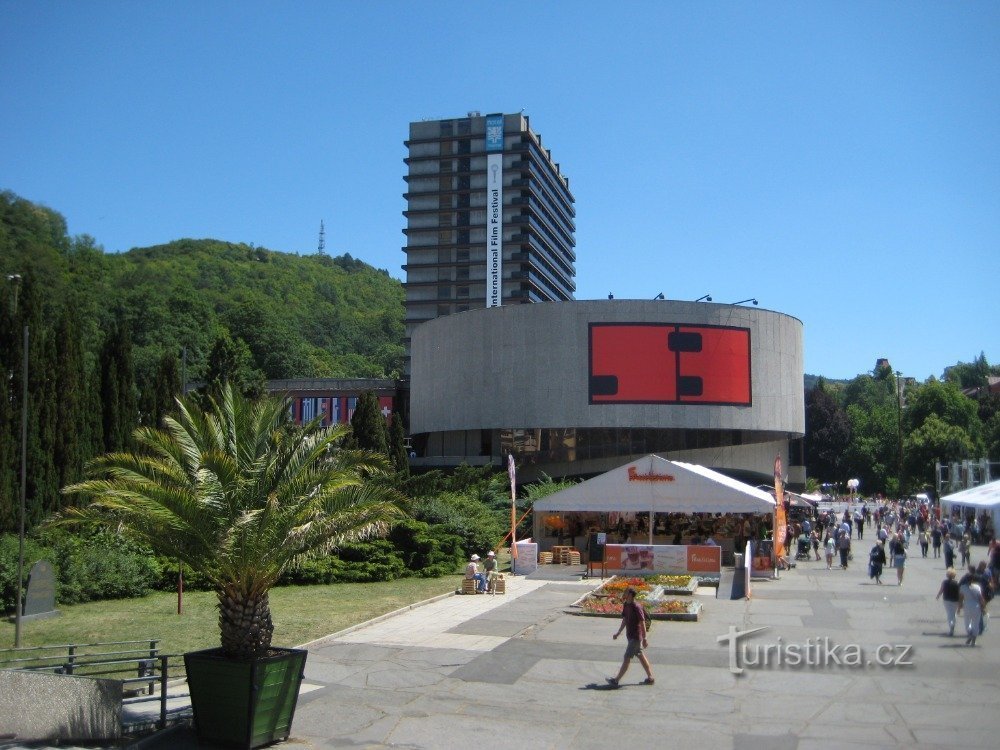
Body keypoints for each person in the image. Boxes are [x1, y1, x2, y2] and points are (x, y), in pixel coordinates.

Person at [607, 587, 655, 688]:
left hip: (635, 637)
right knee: (640, 655)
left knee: (627, 657)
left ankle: (616, 680)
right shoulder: (626, 605)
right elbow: (624, 619)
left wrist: (645, 637)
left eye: (626, 592)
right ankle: (650, 678)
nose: (623, 593)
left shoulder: (636, 607)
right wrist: (618, 632)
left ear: (630, 595)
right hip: (630, 636)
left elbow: (642, 622)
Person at [958, 574, 986, 646]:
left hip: (967, 606)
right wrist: (983, 607)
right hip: (976, 606)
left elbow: (961, 599)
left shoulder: (962, 587)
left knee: (967, 623)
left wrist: (959, 608)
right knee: (976, 623)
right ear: (973, 580)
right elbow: (980, 598)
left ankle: (970, 633)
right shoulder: (977, 587)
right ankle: (973, 640)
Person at [936, 568, 960, 636]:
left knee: (949, 613)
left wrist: (938, 596)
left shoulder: (944, 582)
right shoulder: (957, 583)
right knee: (954, 613)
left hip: (946, 600)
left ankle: (951, 626)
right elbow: (960, 592)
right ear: (954, 575)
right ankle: (953, 623)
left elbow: (941, 590)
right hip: (955, 600)